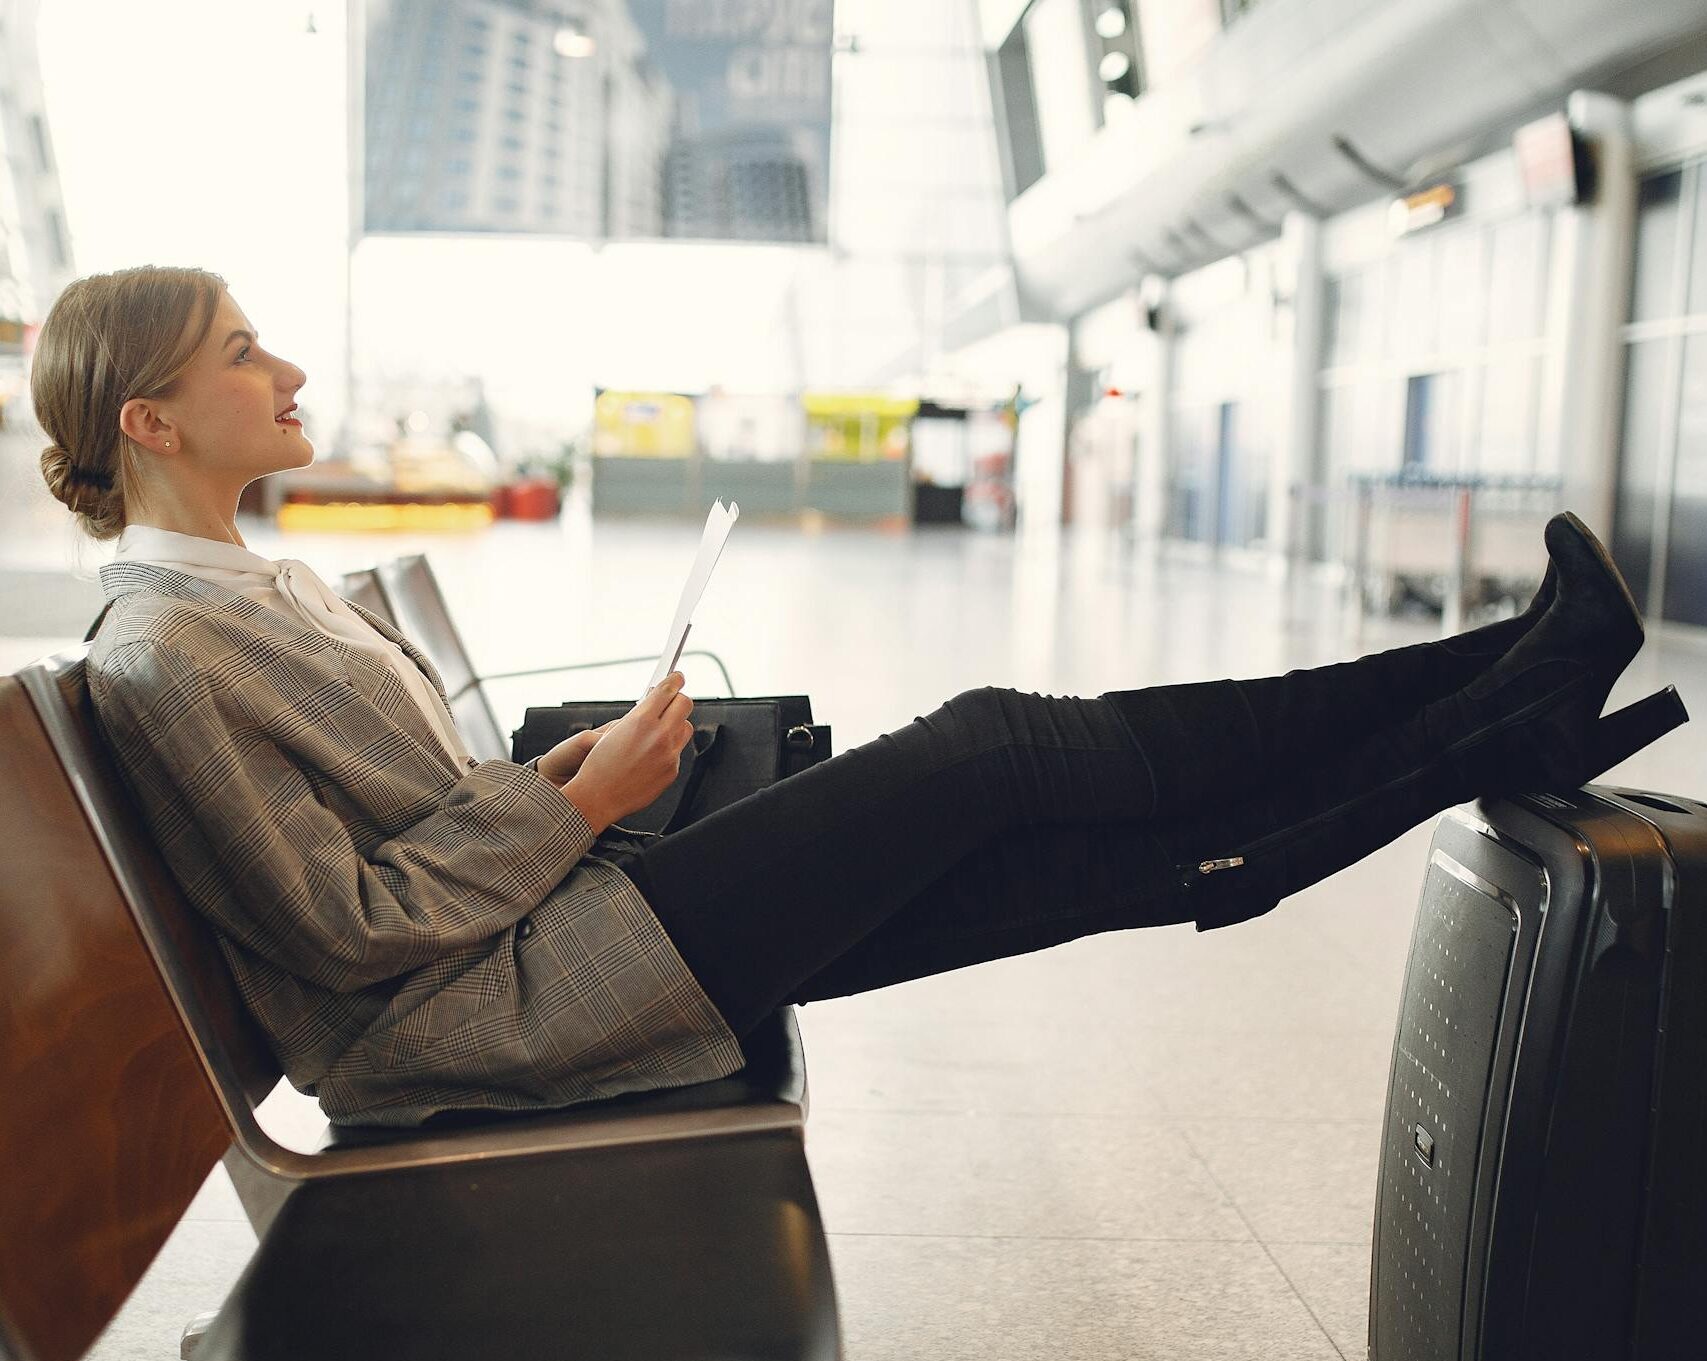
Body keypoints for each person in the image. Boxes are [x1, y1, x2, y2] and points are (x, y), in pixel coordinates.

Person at [31, 266, 1682, 1129]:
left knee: (1034, 858)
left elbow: (408, 832)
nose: (290, 375)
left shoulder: (254, 589)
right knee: (995, 751)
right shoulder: (165, 657)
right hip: (484, 1015)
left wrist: (580, 779)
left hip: (545, 928)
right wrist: (580, 798)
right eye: (244, 355)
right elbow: (342, 931)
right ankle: (1503, 685)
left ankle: (1503, 694)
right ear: (152, 424)